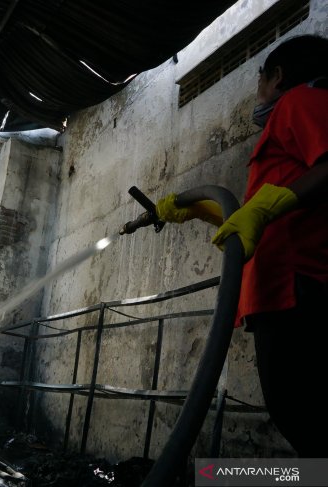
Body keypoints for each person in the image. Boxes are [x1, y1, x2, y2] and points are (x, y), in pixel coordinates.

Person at [157, 35, 328, 457]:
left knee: (304, 418)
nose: (259, 93)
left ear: (277, 76)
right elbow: (258, 212)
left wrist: (267, 208)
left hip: (298, 286)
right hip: (281, 289)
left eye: (260, 81)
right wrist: (200, 211)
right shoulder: (288, 121)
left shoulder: (301, 101)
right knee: (300, 419)